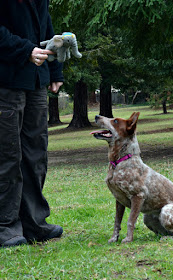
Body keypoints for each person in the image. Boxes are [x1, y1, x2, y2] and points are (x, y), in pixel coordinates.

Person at [0, 0, 64, 247]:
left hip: (36, 81)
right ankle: (5, 226)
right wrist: (25, 50)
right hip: (6, 82)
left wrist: (55, 70)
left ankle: (34, 223)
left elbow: (47, 30)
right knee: (7, 157)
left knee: (36, 155)